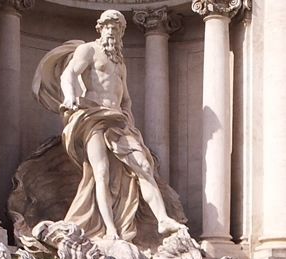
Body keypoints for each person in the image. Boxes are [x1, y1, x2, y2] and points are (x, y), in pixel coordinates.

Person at [37, 9, 185, 241]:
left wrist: (129, 123)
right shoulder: (88, 50)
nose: (111, 32)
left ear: (122, 32)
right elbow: (69, 74)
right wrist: (70, 96)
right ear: (100, 28)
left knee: (144, 167)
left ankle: (163, 219)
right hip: (93, 117)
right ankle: (110, 229)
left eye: (116, 28)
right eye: (108, 27)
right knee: (101, 172)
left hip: (118, 121)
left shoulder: (119, 64)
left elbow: (125, 99)